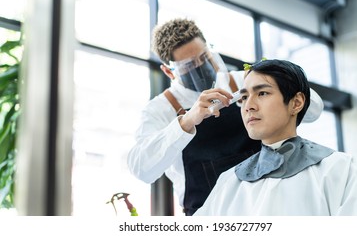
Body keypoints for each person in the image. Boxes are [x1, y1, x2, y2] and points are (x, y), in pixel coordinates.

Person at [127, 18, 324, 215]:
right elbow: (141, 169)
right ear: (168, 71)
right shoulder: (160, 109)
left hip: (266, 206)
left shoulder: (244, 81)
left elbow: (313, 110)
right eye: (188, 67)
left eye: (203, 58)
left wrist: (278, 79)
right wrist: (187, 121)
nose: (200, 68)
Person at [194, 59, 357, 216]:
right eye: (243, 97)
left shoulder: (339, 169)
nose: (248, 106)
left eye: (262, 93)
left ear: (296, 103)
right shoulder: (229, 181)